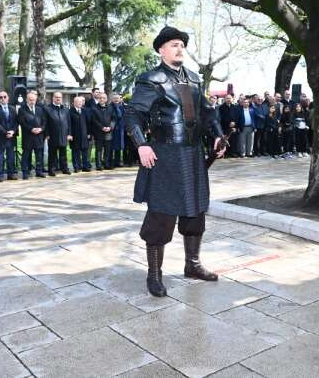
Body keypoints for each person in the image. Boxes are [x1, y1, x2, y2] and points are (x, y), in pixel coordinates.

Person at [125, 26, 226, 298]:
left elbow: (207, 113)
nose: (179, 48)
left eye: (182, 44)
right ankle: (154, 274)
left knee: (195, 211)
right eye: (173, 44)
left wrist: (217, 136)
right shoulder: (151, 79)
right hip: (165, 155)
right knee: (162, 214)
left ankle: (192, 264)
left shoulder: (194, 79)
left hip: (193, 154)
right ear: (161, 50)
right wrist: (142, 145)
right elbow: (133, 115)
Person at [17, 90, 47, 179]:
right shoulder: (22, 109)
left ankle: (39, 171)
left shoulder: (39, 109)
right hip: (28, 137)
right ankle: (25, 172)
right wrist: (31, 129)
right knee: (26, 155)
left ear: (36, 99)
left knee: (39, 155)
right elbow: (22, 122)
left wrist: (41, 128)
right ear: (26, 100)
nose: (32, 101)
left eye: (33, 100)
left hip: (39, 136)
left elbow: (44, 121)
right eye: (30, 100)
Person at [0, 91, 19, 181]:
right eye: (0, 97)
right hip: (0, 137)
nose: (3, 99)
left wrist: (13, 132)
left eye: (4, 97)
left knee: (10, 157)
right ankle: (0, 175)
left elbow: (16, 122)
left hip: (11, 137)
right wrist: (5, 132)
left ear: (8, 98)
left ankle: (10, 174)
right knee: (0, 158)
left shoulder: (12, 108)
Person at [45, 91, 71, 176]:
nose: (58, 99)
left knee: (63, 154)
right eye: (56, 97)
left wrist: (69, 134)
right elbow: (45, 123)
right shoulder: (48, 109)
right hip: (52, 135)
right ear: (53, 98)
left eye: (59, 97)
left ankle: (64, 169)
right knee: (52, 154)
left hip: (63, 135)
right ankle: (51, 170)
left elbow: (69, 123)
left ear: (61, 98)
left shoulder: (66, 109)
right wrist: (47, 134)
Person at [91, 93, 115, 170]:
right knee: (99, 150)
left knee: (107, 149)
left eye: (104, 98)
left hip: (108, 132)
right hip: (98, 132)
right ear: (98, 99)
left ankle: (106, 164)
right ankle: (98, 165)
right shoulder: (94, 108)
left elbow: (113, 119)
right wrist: (102, 127)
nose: (102, 99)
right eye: (100, 98)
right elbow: (94, 120)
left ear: (106, 99)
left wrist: (110, 128)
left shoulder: (110, 108)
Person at [69, 95, 91, 172]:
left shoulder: (85, 111)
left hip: (84, 135)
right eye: (77, 102)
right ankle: (77, 167)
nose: (79, 103)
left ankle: (85, 166)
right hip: (74, 136)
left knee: (85, 151)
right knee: (75, 152)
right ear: (74, 103)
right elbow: (69, 124)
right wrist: (69, 134)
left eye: (80, 102)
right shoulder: (70, 112)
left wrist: (89, 133)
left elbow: (88, 123)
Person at [110, 93, 126, 168]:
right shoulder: (110, 107)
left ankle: (117, 161)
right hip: (112, 129)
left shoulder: (122, 107)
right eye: (115, 98)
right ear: (112, 99)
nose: (116, 99)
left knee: (119, 146)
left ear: (120, 99)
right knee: (111, 146)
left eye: (117, 98)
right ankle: (110, 162)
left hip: (120, 129)